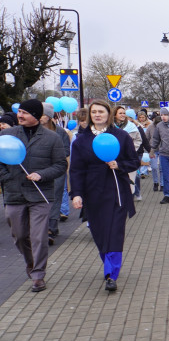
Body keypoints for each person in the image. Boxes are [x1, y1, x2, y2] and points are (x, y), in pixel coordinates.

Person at [69, 101, 140, 291]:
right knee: (100, 233)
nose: (98, 115)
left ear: (109, 114)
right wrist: (76, 194)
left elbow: (134, 162)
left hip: (117, 191)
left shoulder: (121, 136)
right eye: (94, 112)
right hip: (93, 192)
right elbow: (76, 170)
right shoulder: (81, 140)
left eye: (101, 111)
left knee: (114, 232)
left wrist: (120, 165)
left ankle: (111, 274)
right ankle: (108, 265)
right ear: (89, 115)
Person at [0, 99, 68, 292]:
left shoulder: (52, 138)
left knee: (38, 237)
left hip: (40, 195)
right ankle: (31, 264)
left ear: (36, 116)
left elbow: (61, 165)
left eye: (24, 112)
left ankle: (38, 275)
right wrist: (7, 178)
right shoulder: (7, 135)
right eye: (19, 111)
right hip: (14, 194)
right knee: (20, 236)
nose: (19, 115)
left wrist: (42, 175)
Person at [40, 101, 71, 245]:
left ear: (49, 116)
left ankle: (51, 228)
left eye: (42, 114)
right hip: (38, 171)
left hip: (57, 170)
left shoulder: (60, 132)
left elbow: (65, 151)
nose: (39, 117)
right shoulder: (33, 131)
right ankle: (44, 227)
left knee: (55, 197)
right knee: (41, 199)